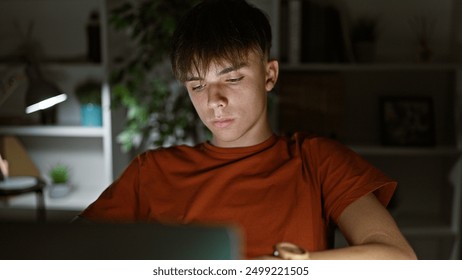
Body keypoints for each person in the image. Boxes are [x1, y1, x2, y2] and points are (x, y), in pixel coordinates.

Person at [77, 0, 416, 260]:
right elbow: (66, 255)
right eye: (197, 86)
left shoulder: (316, 160)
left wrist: (296, 266)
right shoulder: (151, 172)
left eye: (233, 79)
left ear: (269, 75)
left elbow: (397, 259)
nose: (214, 101)